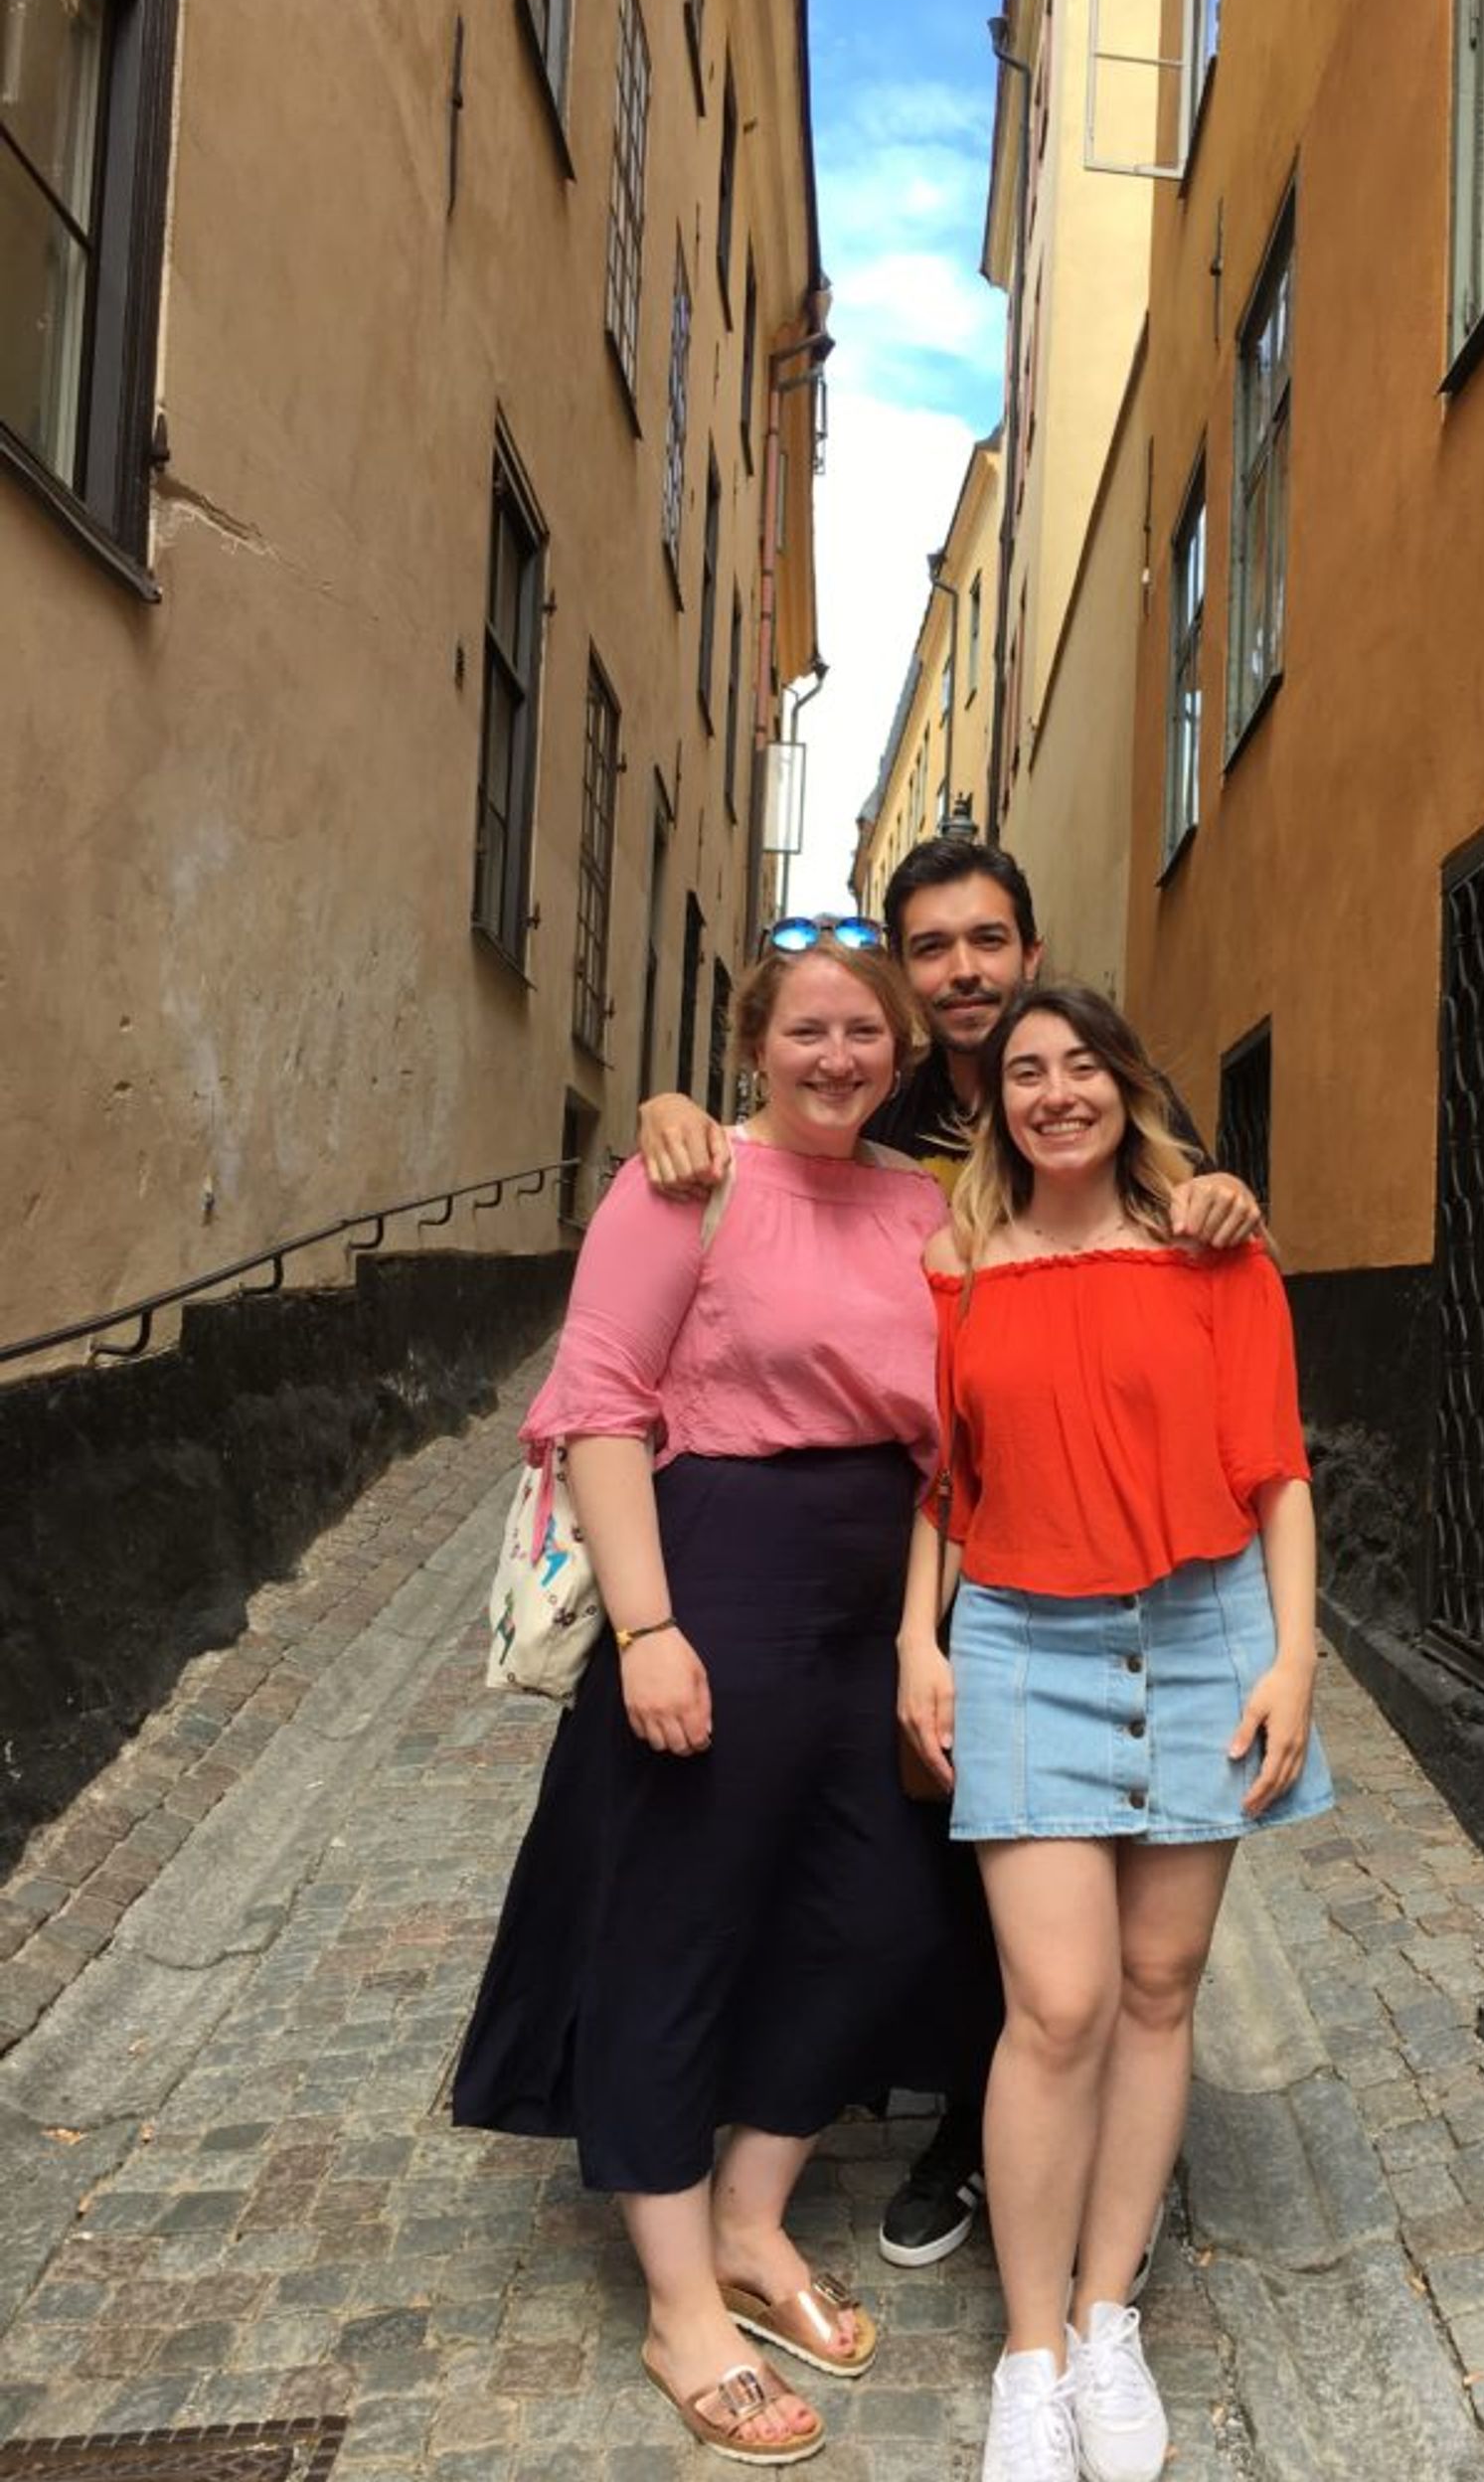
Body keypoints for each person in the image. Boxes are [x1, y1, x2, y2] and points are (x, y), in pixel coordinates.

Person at [636, 840, 1263, 2274]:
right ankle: (974, 2117)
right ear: (908, 983)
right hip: (918, 1543)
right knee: (943, 1848)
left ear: (1031, 952)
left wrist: (1230, 1201)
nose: (964, 970)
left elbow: (1184, 1246)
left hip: (1096, 1563)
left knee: (1108, 1881)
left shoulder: (1105, 1088)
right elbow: (777, 1141)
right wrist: (681, 1111)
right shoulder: (885, 1105)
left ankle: (1041, 2148)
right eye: (932, 948)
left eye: (988, 941)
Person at [452, 930, 958, 2468]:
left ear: (902, 1053)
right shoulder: (685, 1180)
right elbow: (600, 1399)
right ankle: (681, 2302)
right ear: (757, 1045)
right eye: (808, 1030)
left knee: (880, 1913)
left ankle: (750, 2216)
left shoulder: (929, 1204)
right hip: (720, 1564)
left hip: (879, 1586)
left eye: (864, 1034)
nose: (837, 1058)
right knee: (676, 1924)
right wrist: (652, 1625)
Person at [897, 982, 1333, 2482]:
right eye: (1026, 1070)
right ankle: (1028, 2350)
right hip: (1022, 1634)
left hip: (1204, 1632)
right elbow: (949, 1479)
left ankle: (1104, 2319)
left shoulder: (1213, 1248)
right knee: (1061, 2003)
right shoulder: (959, 1264)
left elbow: (1276, 1465)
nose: (1057, 1091)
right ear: (994, 1101)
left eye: (1084, 1064)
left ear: (1126, 1085)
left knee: (1159, 1985)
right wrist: (918, 1636)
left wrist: (1294, 1655)